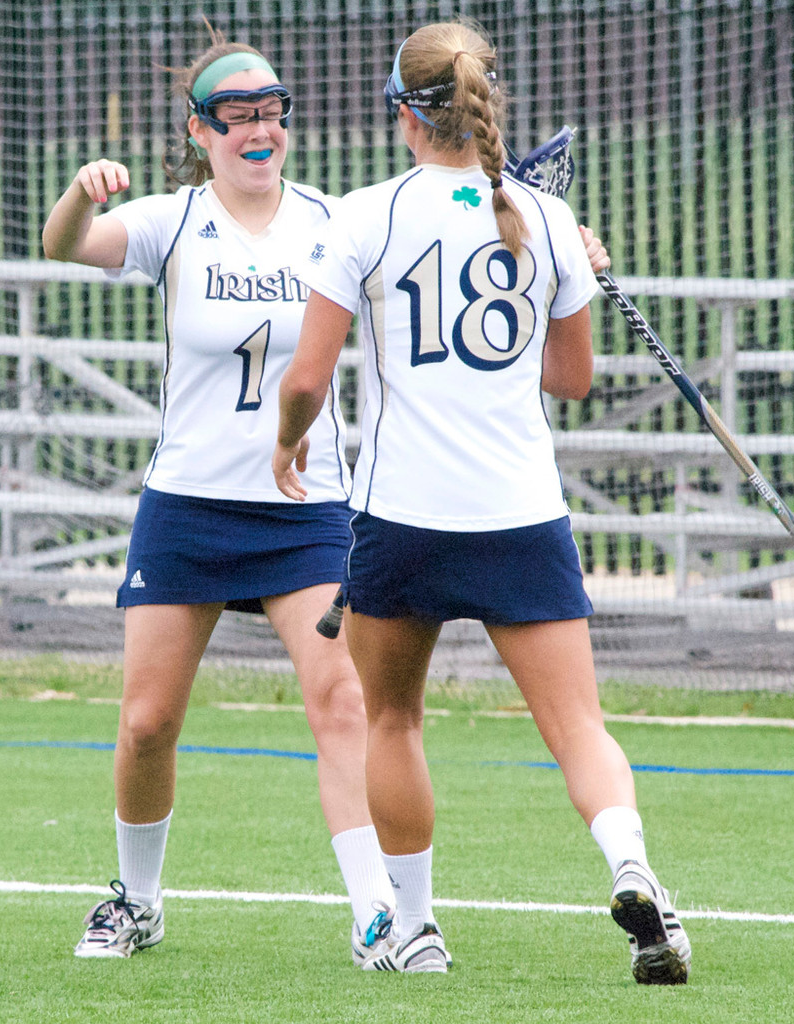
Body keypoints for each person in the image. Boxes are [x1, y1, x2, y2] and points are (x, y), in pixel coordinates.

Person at [272, 20, 692, 982]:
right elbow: (572, 379)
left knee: (392, 722)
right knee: (576, 727)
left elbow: (306, 376)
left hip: (402, 520)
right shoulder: (544, 221)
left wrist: (290, 441)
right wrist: (574, 275)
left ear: (402, 114)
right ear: (483, 104)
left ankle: (414, 932)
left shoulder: (364, 216)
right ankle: (630, 865)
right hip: (518, 514)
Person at [41, 27, 399, 964]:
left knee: (340, 698)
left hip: (308, 508)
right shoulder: (172, 220)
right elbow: (65, 245)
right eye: (234, 114)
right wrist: (81, 192)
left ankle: (377, 916)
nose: (256, 128)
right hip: (190, 505)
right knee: (147, 721)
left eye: (269, 110)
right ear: (199, 131)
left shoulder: (335, 221)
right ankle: (137, 898)